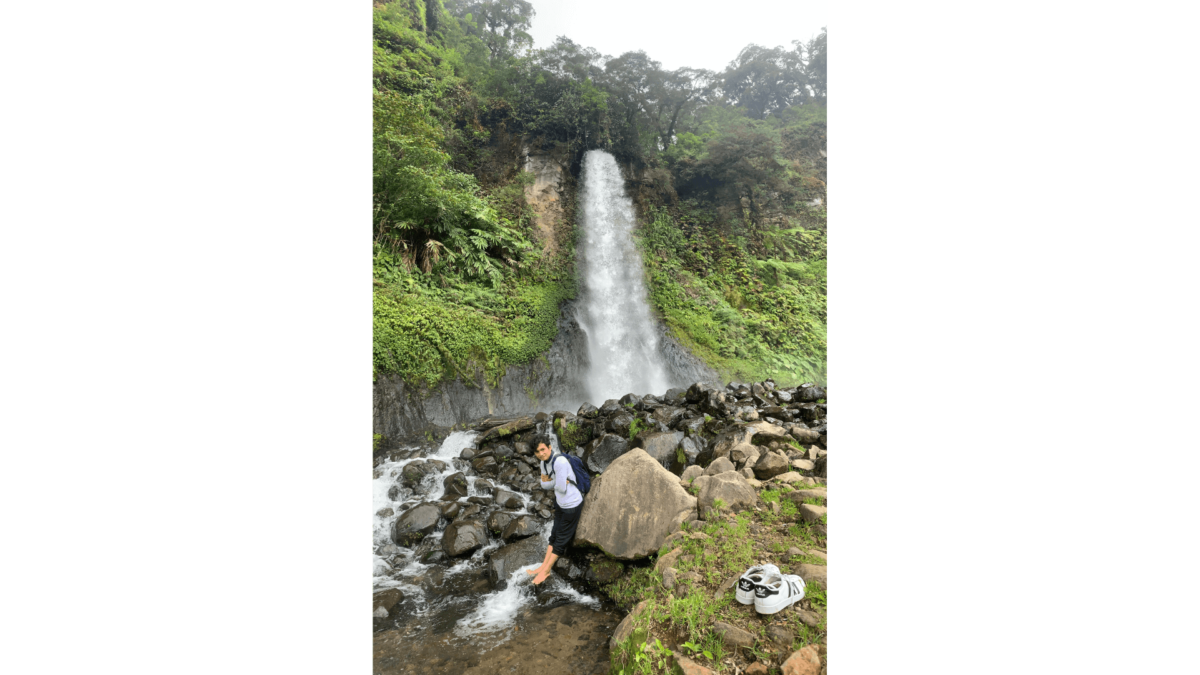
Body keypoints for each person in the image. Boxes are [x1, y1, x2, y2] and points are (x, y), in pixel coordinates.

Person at [526, 433, 583, 585]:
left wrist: (555, 482)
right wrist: (557, 482)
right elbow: (545, 486)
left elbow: (562, 489)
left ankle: (546, 571)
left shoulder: (560, 462)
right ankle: (543, 565)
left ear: (550, 447)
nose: (541, 454)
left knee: (561, 539)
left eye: (543, 449)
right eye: (537, 452)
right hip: (560, 503)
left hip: (572, 504)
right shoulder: (543, 463)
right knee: (554, 535)